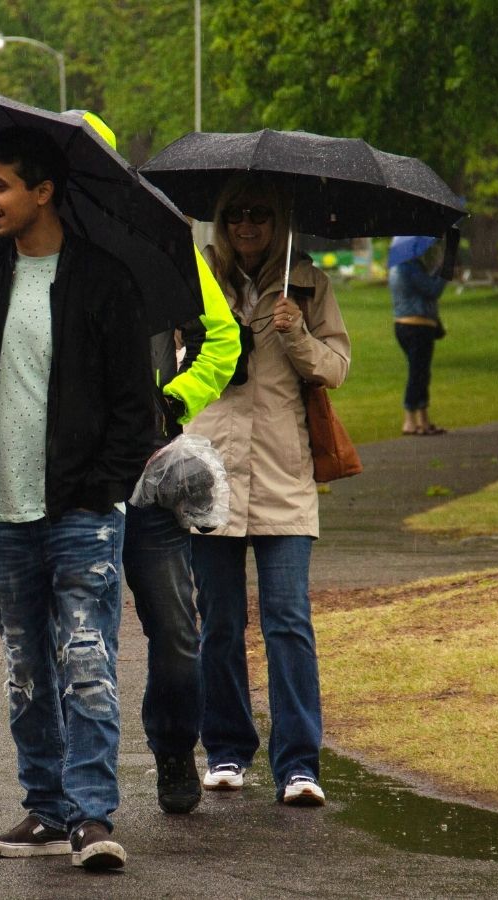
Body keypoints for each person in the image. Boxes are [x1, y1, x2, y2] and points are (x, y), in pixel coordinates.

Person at [0, 127, 154, 871]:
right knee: (27, 670)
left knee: (86, 660)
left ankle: (92, 817)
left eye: (1, 186)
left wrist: (102, 491)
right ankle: (45, 810)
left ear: (43, 191)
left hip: (81, 513)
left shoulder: (103, 280)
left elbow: (134, 408)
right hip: (1, 511)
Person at [69, 109, 242, 815]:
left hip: (147, 482)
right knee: (82, 641)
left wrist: (171, 402)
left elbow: (222, 336)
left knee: (176, 630)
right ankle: (79, 792)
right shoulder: (26, 256)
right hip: (71, 487)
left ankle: (174, 749)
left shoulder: (159, 240)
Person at [185, 175, 351, 807]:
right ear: (221, 224)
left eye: (258, 215)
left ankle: (299, 763)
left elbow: (336, 367)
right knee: (219, 623)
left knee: (288, 620)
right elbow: (172, 363)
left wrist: (297, 333)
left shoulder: (308, 283)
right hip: (212, 471)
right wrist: (209, 342)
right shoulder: (197, 280)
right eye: (234, 216)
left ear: (280, 221)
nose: (246, 226)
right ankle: (225, 750)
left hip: (283, 473)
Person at [389, 234, 448, 436]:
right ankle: (410, 420)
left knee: (421, 371)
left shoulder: (398, 267)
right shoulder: (410, 268)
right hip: (418, 326)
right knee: (418, 373)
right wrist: (443, 270)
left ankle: (423, 419)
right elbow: (433, 290)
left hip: (404, 325)